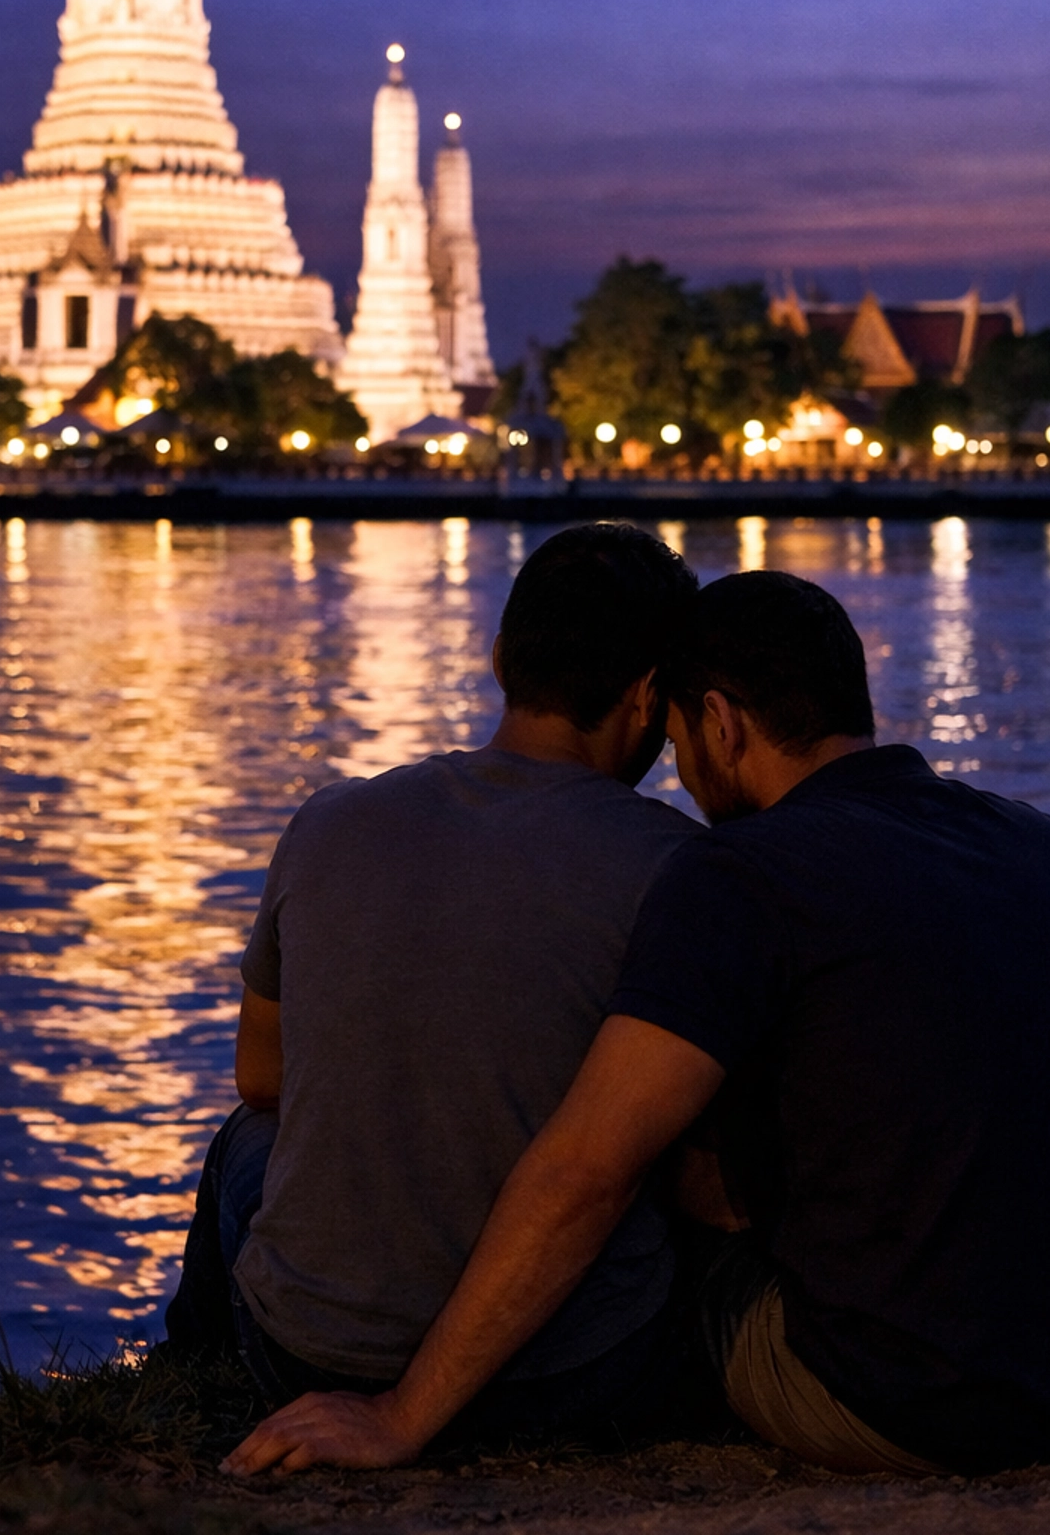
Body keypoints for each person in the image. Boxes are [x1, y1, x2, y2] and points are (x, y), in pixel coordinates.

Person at [224, 569, 1050, 1480]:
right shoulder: (1037, 842)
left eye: (681, 746)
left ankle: (231, 1363)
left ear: (721, 724)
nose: (676, 774)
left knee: (653, 1180)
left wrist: (400, 1416)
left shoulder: (742, 874)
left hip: (905, 1396)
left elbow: (587, 1172)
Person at [166, 521, 705, 1446]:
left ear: (501, 659)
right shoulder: (682, 870)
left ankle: (183, 1381)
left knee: (244, 1145)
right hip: (562, 1376)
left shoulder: (329, 822)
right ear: (652, 695)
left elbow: (262, 1080)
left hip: (304, 1354)